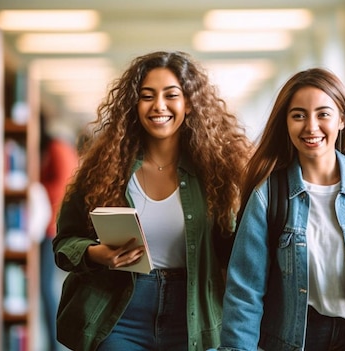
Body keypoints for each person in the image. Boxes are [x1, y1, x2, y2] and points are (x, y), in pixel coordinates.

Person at [52, 51, 251, 351]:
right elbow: (64, 242)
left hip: (191, 314)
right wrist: (97, 254)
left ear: (189, 103)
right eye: (147, 96)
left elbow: (232, 251)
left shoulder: (215, 174)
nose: (159, 105)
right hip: (120, 313)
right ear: (134, 105)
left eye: (171, 95)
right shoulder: (103, 170)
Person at [215, 68, 345, 351]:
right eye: (298, 115)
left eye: (323, 114)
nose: (311, 126)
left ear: (342, 120)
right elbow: (245, 290)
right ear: (286, 123)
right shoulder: (269, 195)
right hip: (295, 338)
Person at [39, 112, 79, 351]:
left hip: (51, 227)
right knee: (45, 286)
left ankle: (54, 345)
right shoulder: (50, 148)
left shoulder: (57, 148)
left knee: (47, 286)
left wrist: (33, 187)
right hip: (43, 226)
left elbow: (65, 187)